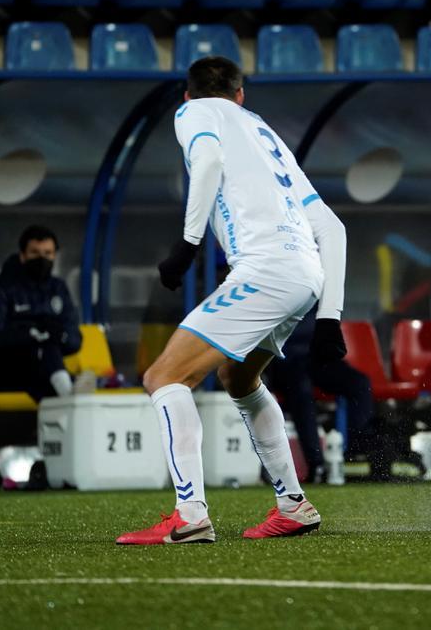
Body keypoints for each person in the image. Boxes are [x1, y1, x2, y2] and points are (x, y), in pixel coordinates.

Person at [115, 56, 347, 545]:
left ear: (187, 96)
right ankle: (293, 505)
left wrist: (187, 246)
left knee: (164, 377)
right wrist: (331, 316)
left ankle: (190, 515)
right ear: (242, 95)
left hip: (265, 270)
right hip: (305, 273)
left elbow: (209, 161)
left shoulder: (196, 112)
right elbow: (333, 227)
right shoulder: (266, 135)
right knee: (239, 376)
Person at [263, 306, 399, 483]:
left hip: (317, 357)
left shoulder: (318, 286)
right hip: (283, 361)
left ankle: (357, 448)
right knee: (301, 391)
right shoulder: (274, 289)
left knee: (358, 382)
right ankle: (316, 464)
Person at [0, 225, 81, 403]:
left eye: (48, 253)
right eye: (35, 253)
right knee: (44, 357)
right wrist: (32, 333)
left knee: (45, 356)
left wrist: (58, 335)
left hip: (41, 367)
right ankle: (69, 396)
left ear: (55, 256)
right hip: (1, 369)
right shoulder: (1, 287)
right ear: (22, 256)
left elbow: (75, 340)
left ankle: (66, 396)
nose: (42, 259)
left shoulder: (58, 288)